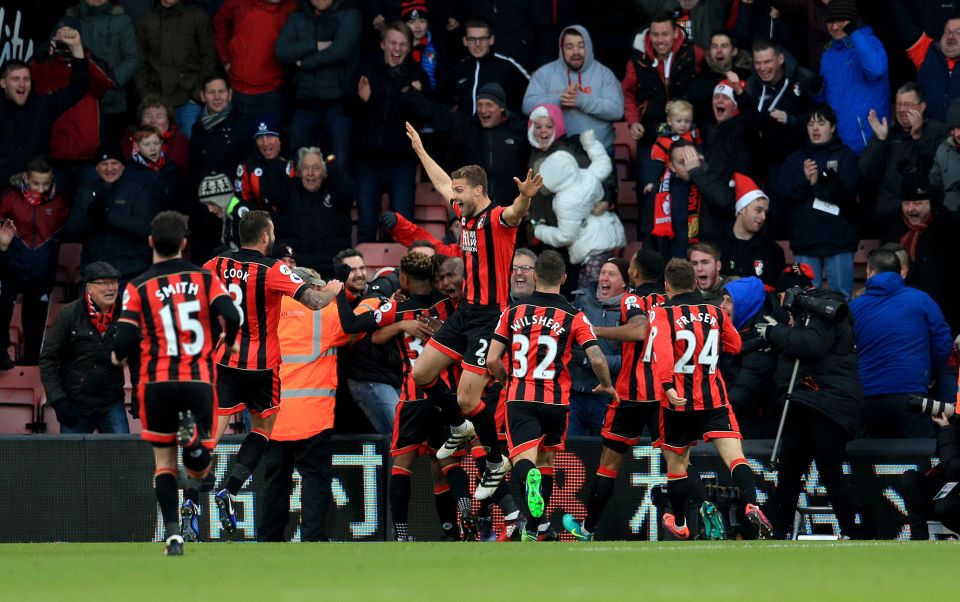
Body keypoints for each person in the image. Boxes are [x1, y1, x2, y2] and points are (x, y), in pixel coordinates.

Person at [406, 122, 543, 501]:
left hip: (492, 317)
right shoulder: (464, 213)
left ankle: (496, 462)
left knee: (469, 400)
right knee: (422, 373)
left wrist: (526, 197)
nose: (454, 195)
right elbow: (438, 182)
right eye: (454, 190)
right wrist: (419, 148)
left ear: (479, 190)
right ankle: (459, 427)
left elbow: (516, 212)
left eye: (460, 189)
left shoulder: (497, 218)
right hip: (466, 312)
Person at [202, 210, 342, 534]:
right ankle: (230, 489)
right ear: (266, 236)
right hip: (262, 366)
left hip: (226, 362)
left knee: (212, 433)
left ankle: (192, 497)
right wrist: (333, 289)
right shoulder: (273, 269)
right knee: (263, 429)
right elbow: (315, 301)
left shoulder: (217, 264)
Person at [112, 211, 241, 556]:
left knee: (164, 464)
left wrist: (117, 356)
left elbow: (123, 337)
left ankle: (172, 537)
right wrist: (228, 341)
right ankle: (196, 445)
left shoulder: (138, 286)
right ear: (185, 243)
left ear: (151, 242)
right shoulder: (204, 279)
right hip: (198, 378)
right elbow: (232, 314)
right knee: (200, 468)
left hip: (157, 382)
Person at [486, 250, 616, 542]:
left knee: (523, 459)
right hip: (556, 400)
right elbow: (595, 356)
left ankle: (533, 510)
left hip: (520, 397)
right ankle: (537, 528)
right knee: (546, 461)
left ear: (534, 276)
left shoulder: (512, 312)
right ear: (564, 279)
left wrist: (507, 380)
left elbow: (493, 359)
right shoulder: (574, 315)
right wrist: (606, 385)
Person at [649, 258, 772, 540]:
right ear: (693, 282)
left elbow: (664, 352)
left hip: (677, 401)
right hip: (714, 398)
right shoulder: (713, 311)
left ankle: (680, 522)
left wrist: (668, 385)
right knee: (735, 458)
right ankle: (751, 502)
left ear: (667, 286)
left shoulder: (661, 313)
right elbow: (736, 345)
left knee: (677, 466)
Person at [561, 250, 667, 541]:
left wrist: (591, 332)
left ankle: (587, 528)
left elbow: (638, 332)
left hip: (629, 395)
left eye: (615, 272)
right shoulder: (668, 304)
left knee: (609, 463)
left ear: (632, 275)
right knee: (677, 461)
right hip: (662, 393)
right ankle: (693, 520)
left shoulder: (633, 301)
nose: (603, 278)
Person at [757, 264, 862, 539]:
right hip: (806, 402)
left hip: (825, 403)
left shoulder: (823, 309)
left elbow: (811, 345)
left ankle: (853, 532)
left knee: (828, 472)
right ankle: (777, 534)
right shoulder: (812, 312)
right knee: (789, 474)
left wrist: (773, 332)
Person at [259, 267, 355, 542]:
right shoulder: (324, 312)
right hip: (312, 416)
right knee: (314, 480)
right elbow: (358, 328)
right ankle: (313, 537)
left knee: (276, 482)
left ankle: (269, 538)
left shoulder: (270, 311)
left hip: (274, 418)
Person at [850, 249, 952, 438]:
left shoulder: (854, 307)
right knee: (922, 458)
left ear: (870, 272)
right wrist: (932, 372)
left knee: (864, 461)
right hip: (910, 395)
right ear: (900, 273)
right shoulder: (921, 300)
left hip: (866, 396)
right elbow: (943, 342)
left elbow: (844, 350)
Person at [350, 22, 428, 243]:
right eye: (393, 42)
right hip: (368, 161)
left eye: (403, 44)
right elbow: (348, 111)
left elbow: (426, 119)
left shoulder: (417, 75)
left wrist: (417, 98)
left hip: (401, 162)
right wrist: (361, 100)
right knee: (366, 225)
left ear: (409, 47)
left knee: (404, 223)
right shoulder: (365, 70)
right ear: (383, 44)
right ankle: (361, 274)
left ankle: (407, 274)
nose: (397, 48)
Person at [39, 261, 136, 434]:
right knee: (72, 460)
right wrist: (59, 401)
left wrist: (139, 394)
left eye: (114, 283)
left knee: (122, 458)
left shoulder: (127, 314)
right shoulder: (68, 314)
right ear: (89, 288)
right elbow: (48, 360)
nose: (111, 288)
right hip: (74, 403)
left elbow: (138, 358)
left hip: (111, 402)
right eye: (104, 283)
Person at [777, 104, 860, 300]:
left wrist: (818, 183)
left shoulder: (846, 156)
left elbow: (848, 194)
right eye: (811, 123)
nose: (815, 128)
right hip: (805, 241)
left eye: (821, 123)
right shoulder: (796, 159)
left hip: (839, 241)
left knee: (840, 299)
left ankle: (842, 333)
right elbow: (784, 194)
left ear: (832, 127)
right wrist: (804, 181)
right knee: (804, 299)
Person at [404, 82, 530, 208]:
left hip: (510, 210)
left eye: (489, 105)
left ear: (502, 107)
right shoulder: (467, 127)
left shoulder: (518, 131)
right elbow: (434, 113)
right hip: (475, 209)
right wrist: (410, 92)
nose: (483, 110)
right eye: (480, 105)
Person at [622, 11, 700, 205]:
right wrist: (632, 122)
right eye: (655, 34)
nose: (659, 40)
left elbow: (708, 80)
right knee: (649, 194)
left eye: (665, 34)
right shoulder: (637, 60)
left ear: (675, 33)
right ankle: (648, 236)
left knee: (687, 194)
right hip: (650, 136)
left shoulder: (693, 54)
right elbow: (628, 94)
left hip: (685, 136)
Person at [0, 159, 70, 365]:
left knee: (35, 321)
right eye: (35, 183)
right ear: (25, 179)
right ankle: (1, 353)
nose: (40, 189)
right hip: (11, 267)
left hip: (41, 271)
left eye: (45, 184)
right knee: (2, 309)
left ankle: (32, 361)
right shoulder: (10, 198)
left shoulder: (59, 202)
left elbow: (66, 230)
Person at [0, 24, 89, 184]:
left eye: (26, 79)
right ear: (3, 83)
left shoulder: (42, 106)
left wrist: (76, 46)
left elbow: (79, 87)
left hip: (38, 188)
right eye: (15, 79)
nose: (22, 84)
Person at [275, 0, 361, 163]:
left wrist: (305, 63)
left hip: (338, 102)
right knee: (299, 160)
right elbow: (282, 51)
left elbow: (340, 51)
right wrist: (315, 45)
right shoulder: (297, 16)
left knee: (339, 161)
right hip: (305, 101)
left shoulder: (349, 14)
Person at [523, 25, 625, 153]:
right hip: (554, 152)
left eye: (581, 46)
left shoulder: (604, 74)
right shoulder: (544, 73)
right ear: (561, 49)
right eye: (569, 47)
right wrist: (559, 100)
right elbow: (527, 106)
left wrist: (582, 101)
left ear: (589, 47)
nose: (576, 52)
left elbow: (617, 110)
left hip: (598, 152)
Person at [880, 169, 960, 331]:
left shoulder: (947, 226)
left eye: (918, 203)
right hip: (899, 308)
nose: (911, 209)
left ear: (931, 203)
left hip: (940, 309)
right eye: (906, 203)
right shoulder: (893, 223)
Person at [64, 144, 157, 283]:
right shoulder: (86, 192)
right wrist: (91, 220)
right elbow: (70, 232)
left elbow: (146, 228)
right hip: (96, 271)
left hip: (133, 271)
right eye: (104, 164)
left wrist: (109, 216)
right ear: (96, 168)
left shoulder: (138, 190)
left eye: (114, 163)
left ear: (123, 166)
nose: (109, 168)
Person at [860, 83, 949, 217]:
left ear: (922, 107)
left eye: (907, 105)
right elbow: (866, 173)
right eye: (898, 104)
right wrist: (879, 141)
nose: (901, 109)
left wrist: (918, 138)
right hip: (888, 211)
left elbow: (935, 175)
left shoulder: (938, 131)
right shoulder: (886, 132)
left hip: (922, 212)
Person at [214, 0, 296, 140]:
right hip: (237, 91)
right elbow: (219, 24)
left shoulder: (292, 7)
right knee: (234, 144)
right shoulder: (238, 3)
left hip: (271, 94)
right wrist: (226, 59)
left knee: (267, 147)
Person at [134, 0, 217, 138]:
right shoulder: (145, 20)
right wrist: (146, 96)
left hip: (189, 101)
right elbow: (139, 62)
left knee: (191, 151)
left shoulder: (197, 15)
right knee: (154, 151)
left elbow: (209, 57)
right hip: (156, 100)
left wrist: (197, 94)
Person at [819, 0, 889, 154]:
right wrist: (815, 90)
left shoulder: (869, 42)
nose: (835, 27)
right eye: (830, 22)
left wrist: (853, 33)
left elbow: (876, 69)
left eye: (840, 21)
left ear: (851, 21)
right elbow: (824, 98)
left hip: (868, 139)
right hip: (839, 141)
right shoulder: (828, 55)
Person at [568, 259, 629, 436]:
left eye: (611, 274)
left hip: (607, 397)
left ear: (624, 282)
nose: (604, 278)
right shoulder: (580, 303)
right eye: (602, 272)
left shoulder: (631, 312)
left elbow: (627, 361)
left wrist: (588, 360)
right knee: (571, 454)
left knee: (602, 452)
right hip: (575, 394)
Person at [745, 37, 818, 179]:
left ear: (780, 59)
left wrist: (791, 121)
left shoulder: (803, 79)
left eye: (767, 62)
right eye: (758, 63)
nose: (762, 68)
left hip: (798, 163)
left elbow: (820, 120)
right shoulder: (752, 85)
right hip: (762, 165)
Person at [719, 276, 783, 438]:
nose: (722, 306)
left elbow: (742, 395)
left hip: (754, 433)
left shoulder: (764, 347)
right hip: (732, 421)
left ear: (745, 306)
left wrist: (710, 417)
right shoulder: (734, 333)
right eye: (723, 300)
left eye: (729, 301)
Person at [67, 0, 140, 142]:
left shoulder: (122, 21)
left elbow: (132, 58)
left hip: (112, 102)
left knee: (111, 158)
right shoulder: (69, 21)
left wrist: (110, 81)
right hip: (77, 104)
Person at [272, 147, 353, 276]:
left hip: (331, 270)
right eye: (305, 167)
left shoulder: (336, 191)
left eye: (316, 168)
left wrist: (332, 165)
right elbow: (270, 190)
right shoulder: (287, 192)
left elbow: (349, 192)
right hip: (297, 270)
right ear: (298, 172)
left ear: (324, 172)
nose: (310, 173)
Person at [888, 0, 960, 122]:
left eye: (958, 32)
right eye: (947, 31)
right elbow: (903, 22)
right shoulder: (926, 51)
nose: (951, 36)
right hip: (927, 136)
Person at [899, 409, 960, 539]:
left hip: (954, 490)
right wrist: (947, 426)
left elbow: (954, 469)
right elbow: (944, 457)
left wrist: (947, 429)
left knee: (945, 508)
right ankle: (919, 540)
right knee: (910, 479)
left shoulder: (948, 430)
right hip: (950, 486)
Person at [716, 174, 785, 289]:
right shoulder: (718, 246)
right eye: (758, 210)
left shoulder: (773, 251)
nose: (763, 217)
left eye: (765, 213)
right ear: (742, 209)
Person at [451, 18, 529, 116]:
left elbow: (529, 98)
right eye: (472, 39)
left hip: (500, 130)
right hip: (465, 130)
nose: (477, 44)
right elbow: (443, 100)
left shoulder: (507, 66)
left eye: (482, 39)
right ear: (465, 41)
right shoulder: (459, 68)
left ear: (491, 40)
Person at [234, 115, 296, 214]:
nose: (265, 143)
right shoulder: (247, 166)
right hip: (258, 222)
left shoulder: (293, 163)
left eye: (270, 136)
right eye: (260, 137)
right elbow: (239, 199)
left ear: (280, 139)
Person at [121, 95, 190, 172]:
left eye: (159, 116)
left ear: (168, 120)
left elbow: (176, 167)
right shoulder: (130, 137)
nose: (153, 121)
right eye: (148, 116)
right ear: (141, 120)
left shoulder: (179, 139)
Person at [126, 125, 182, 212]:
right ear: (136, 147)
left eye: (156, 143)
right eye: (147, 144)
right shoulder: (129, 172)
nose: (153, 148)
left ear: (161, 144)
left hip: (170, 220)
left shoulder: (172, 167)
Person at [929, 97, 960, 213]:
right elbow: (934, 185)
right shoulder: (942, 150)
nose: (956, 134)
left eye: (959, 127)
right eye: (952, 128)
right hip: (950, 220)